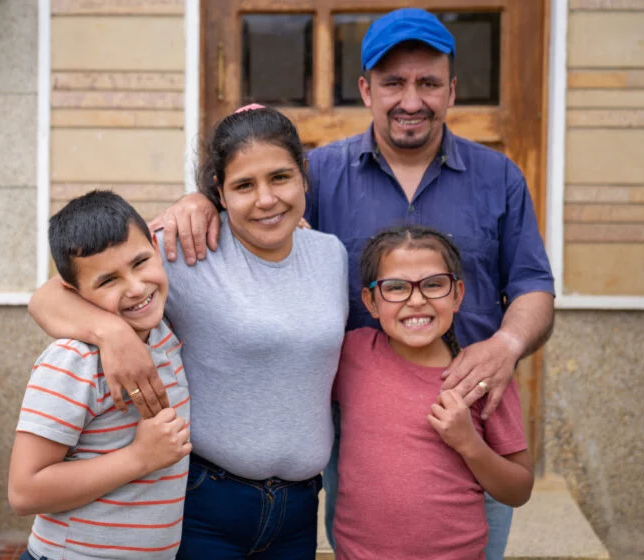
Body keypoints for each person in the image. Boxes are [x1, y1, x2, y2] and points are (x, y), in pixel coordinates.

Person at [150, 8, 555, 558]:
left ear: (452, 90)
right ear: (366, 89)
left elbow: (533, 283)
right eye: (393, 83)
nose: (411, 100)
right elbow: (261, 210)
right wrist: (200, 199)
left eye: (428, 83)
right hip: (357, 431)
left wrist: (505, 347)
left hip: (468, 418)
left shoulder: (499, 175)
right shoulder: (320, 173)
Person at [29, 106, 349, 558]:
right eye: (243, 185)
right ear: (218, 190)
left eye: (280, 178)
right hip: (207, 501)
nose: (265, 199)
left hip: (299, 510)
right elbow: (47, 297)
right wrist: (110, 333)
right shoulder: (185, 249)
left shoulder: (331, 255)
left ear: (303, 177)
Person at [8, 191, 192, 560]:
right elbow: (24, 491)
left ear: (155, 248)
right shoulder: (73, 361)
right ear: (73, 293)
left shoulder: (164, 335)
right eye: (108, 281)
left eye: (140, 262)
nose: (136, 287)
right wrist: (138, 457)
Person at [333, 224, 533, 559]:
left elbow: (519, 490)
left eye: (433, 285)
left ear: (457, 294)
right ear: (370, 301)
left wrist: (469, 444)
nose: (416, 300)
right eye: (395, 288)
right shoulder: (351, 355)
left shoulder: (481, 376)